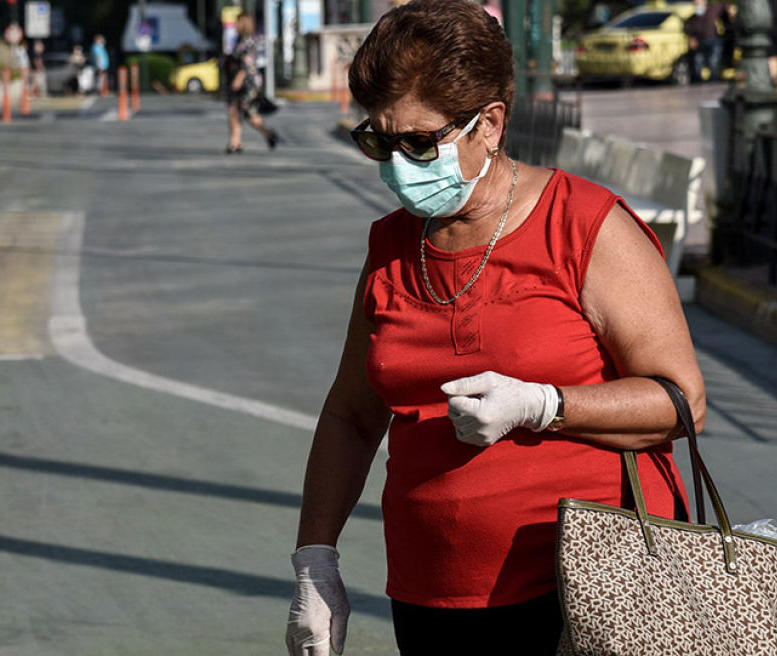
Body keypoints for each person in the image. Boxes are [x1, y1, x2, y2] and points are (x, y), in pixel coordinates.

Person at [283, 0, 706, 654]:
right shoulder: (392, 245)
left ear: (491, 124)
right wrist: (316, 561)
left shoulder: (585, 227)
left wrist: (543, 405)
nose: (398, 163)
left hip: (589, 590)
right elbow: (352, 414)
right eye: (379, 140)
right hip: (430, 595)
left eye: (419, 141)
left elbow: (682, 402)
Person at [224, 12, 277, 154]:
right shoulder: (238, 40)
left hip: (248, 83)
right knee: (233, 111)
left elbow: (248, 63)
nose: (235, 24)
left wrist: (238, 79)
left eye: (238, 22)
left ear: (245, 24)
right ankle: (235, 143)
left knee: (249, 115)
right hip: (236, 79)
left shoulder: (249, 41)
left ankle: (268, 134)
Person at [683, 0, 730, 83]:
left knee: (713, 62)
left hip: (713, 40)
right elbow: (688, 28)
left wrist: (730, 11)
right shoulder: (693, 17)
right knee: (698, 63)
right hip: (700, 42)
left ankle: (713, 81)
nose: (697, 5)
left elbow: (724, 5)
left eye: (698, 3)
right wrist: (691, 39)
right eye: (695, 3)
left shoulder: (712, 10)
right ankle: (698, 82)